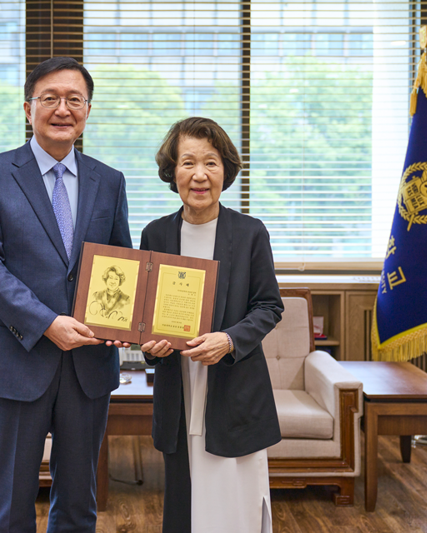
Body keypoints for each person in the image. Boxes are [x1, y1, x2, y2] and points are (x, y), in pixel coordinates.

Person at [0, 57, 132, 533]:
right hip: (17, 354)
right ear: (28, 109)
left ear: (88, 110)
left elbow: (119, 262)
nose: (62, 108)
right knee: (12, 498)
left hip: (88, 363)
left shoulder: (109, 181)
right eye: (49, 98)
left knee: (79, 499)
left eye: (74, 99)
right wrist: (46, 322)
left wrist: (125, 322)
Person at [140, 117, 284, 533]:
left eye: (211, 163)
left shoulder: (251, 232)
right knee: (185, 507)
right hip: (178, 387)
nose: (199, 174)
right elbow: (147, 316)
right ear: (172, 172)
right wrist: (149, 344)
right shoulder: (156, 234)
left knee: (233, 506)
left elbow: (268, 306)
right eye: (187, 163)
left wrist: (228, 339)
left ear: (226, 171)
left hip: (233, 387)